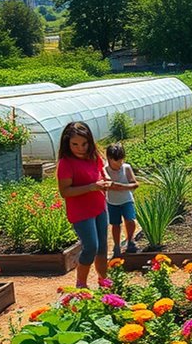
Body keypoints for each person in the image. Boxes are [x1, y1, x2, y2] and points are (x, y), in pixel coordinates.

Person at [57, 122, 111, 288]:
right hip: (81, 211)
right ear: (67, 143)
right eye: (75, 144)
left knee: (102, 247)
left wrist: (106, 179)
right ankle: (81, 284)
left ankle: (104, 280)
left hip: (99, 206)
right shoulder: (66, 163)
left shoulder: (93, 156)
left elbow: (102, 171)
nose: (80, 148)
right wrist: (91, 187)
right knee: (91, 247)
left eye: (84, 144)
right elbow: (65, 191)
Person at [104, 143, 140, 257]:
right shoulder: (105, 170)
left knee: (130, 220)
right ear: (109, 159)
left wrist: (121, 186)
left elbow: (135, 184)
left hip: (127, 199)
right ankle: (116, 245)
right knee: (115, 224)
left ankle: (130, 240)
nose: (120, 163)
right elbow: (105, 183)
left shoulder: (126, 168)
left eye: (121, 160)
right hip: (112, 202)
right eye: (117, 161)